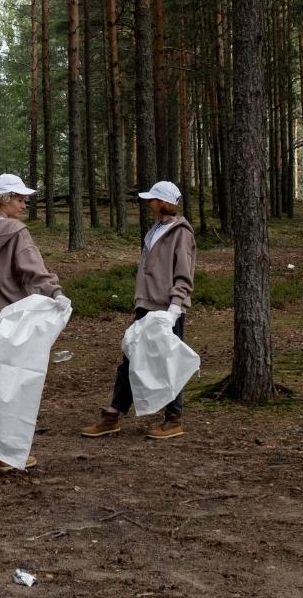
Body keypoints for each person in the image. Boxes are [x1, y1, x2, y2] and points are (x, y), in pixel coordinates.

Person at [0, 173, 70, 469]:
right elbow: (35, 270)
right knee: (11, 389)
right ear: (4, 199)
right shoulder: (16, 232)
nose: (23, 205)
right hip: (12, 322)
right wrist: (56, 293)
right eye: (19, 199)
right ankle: (5, 453)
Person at [81, 180, 195, 440]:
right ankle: (113, 414)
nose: (148, 203)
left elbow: (184, 273)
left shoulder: (181, 233)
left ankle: (174, 418)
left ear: (163, 203)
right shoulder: (156, 229)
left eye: (152, 199)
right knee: (131, 356)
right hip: (147, 305)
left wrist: (175, 308)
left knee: (168, 361)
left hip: (167, 309)